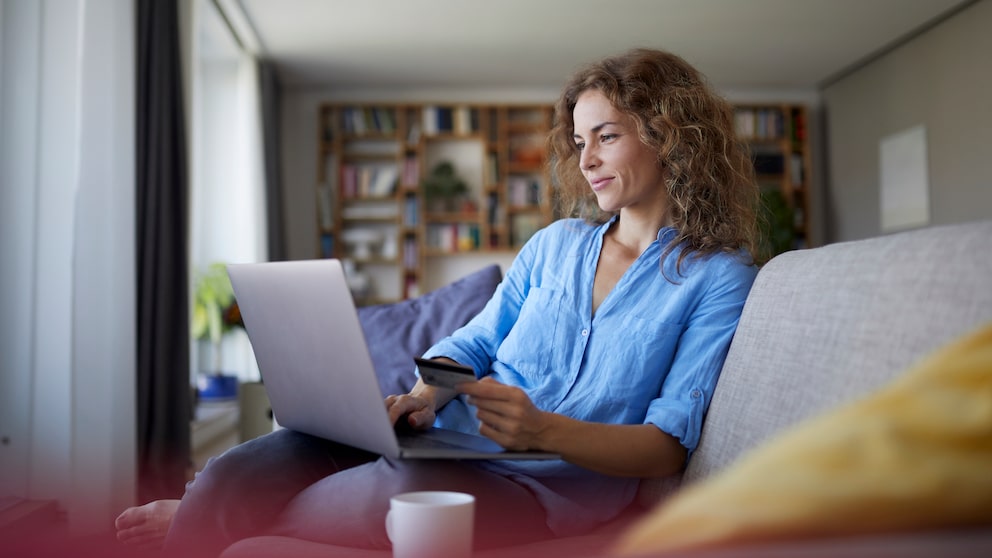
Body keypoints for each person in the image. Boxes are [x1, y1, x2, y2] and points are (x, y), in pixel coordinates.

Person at [116, 47, 761, 556]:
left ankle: (202, 520)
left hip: (545, 492)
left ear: (669, 136)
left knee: (394, 494)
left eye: (606, 136)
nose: (585, 159)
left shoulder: (717, 278)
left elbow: (667, 444)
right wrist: (426, 396)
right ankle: (215, 507)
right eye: (579, 139)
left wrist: (544, 431)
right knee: (238, 468)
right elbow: (475, 342)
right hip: (447, 442)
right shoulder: (555, 245)